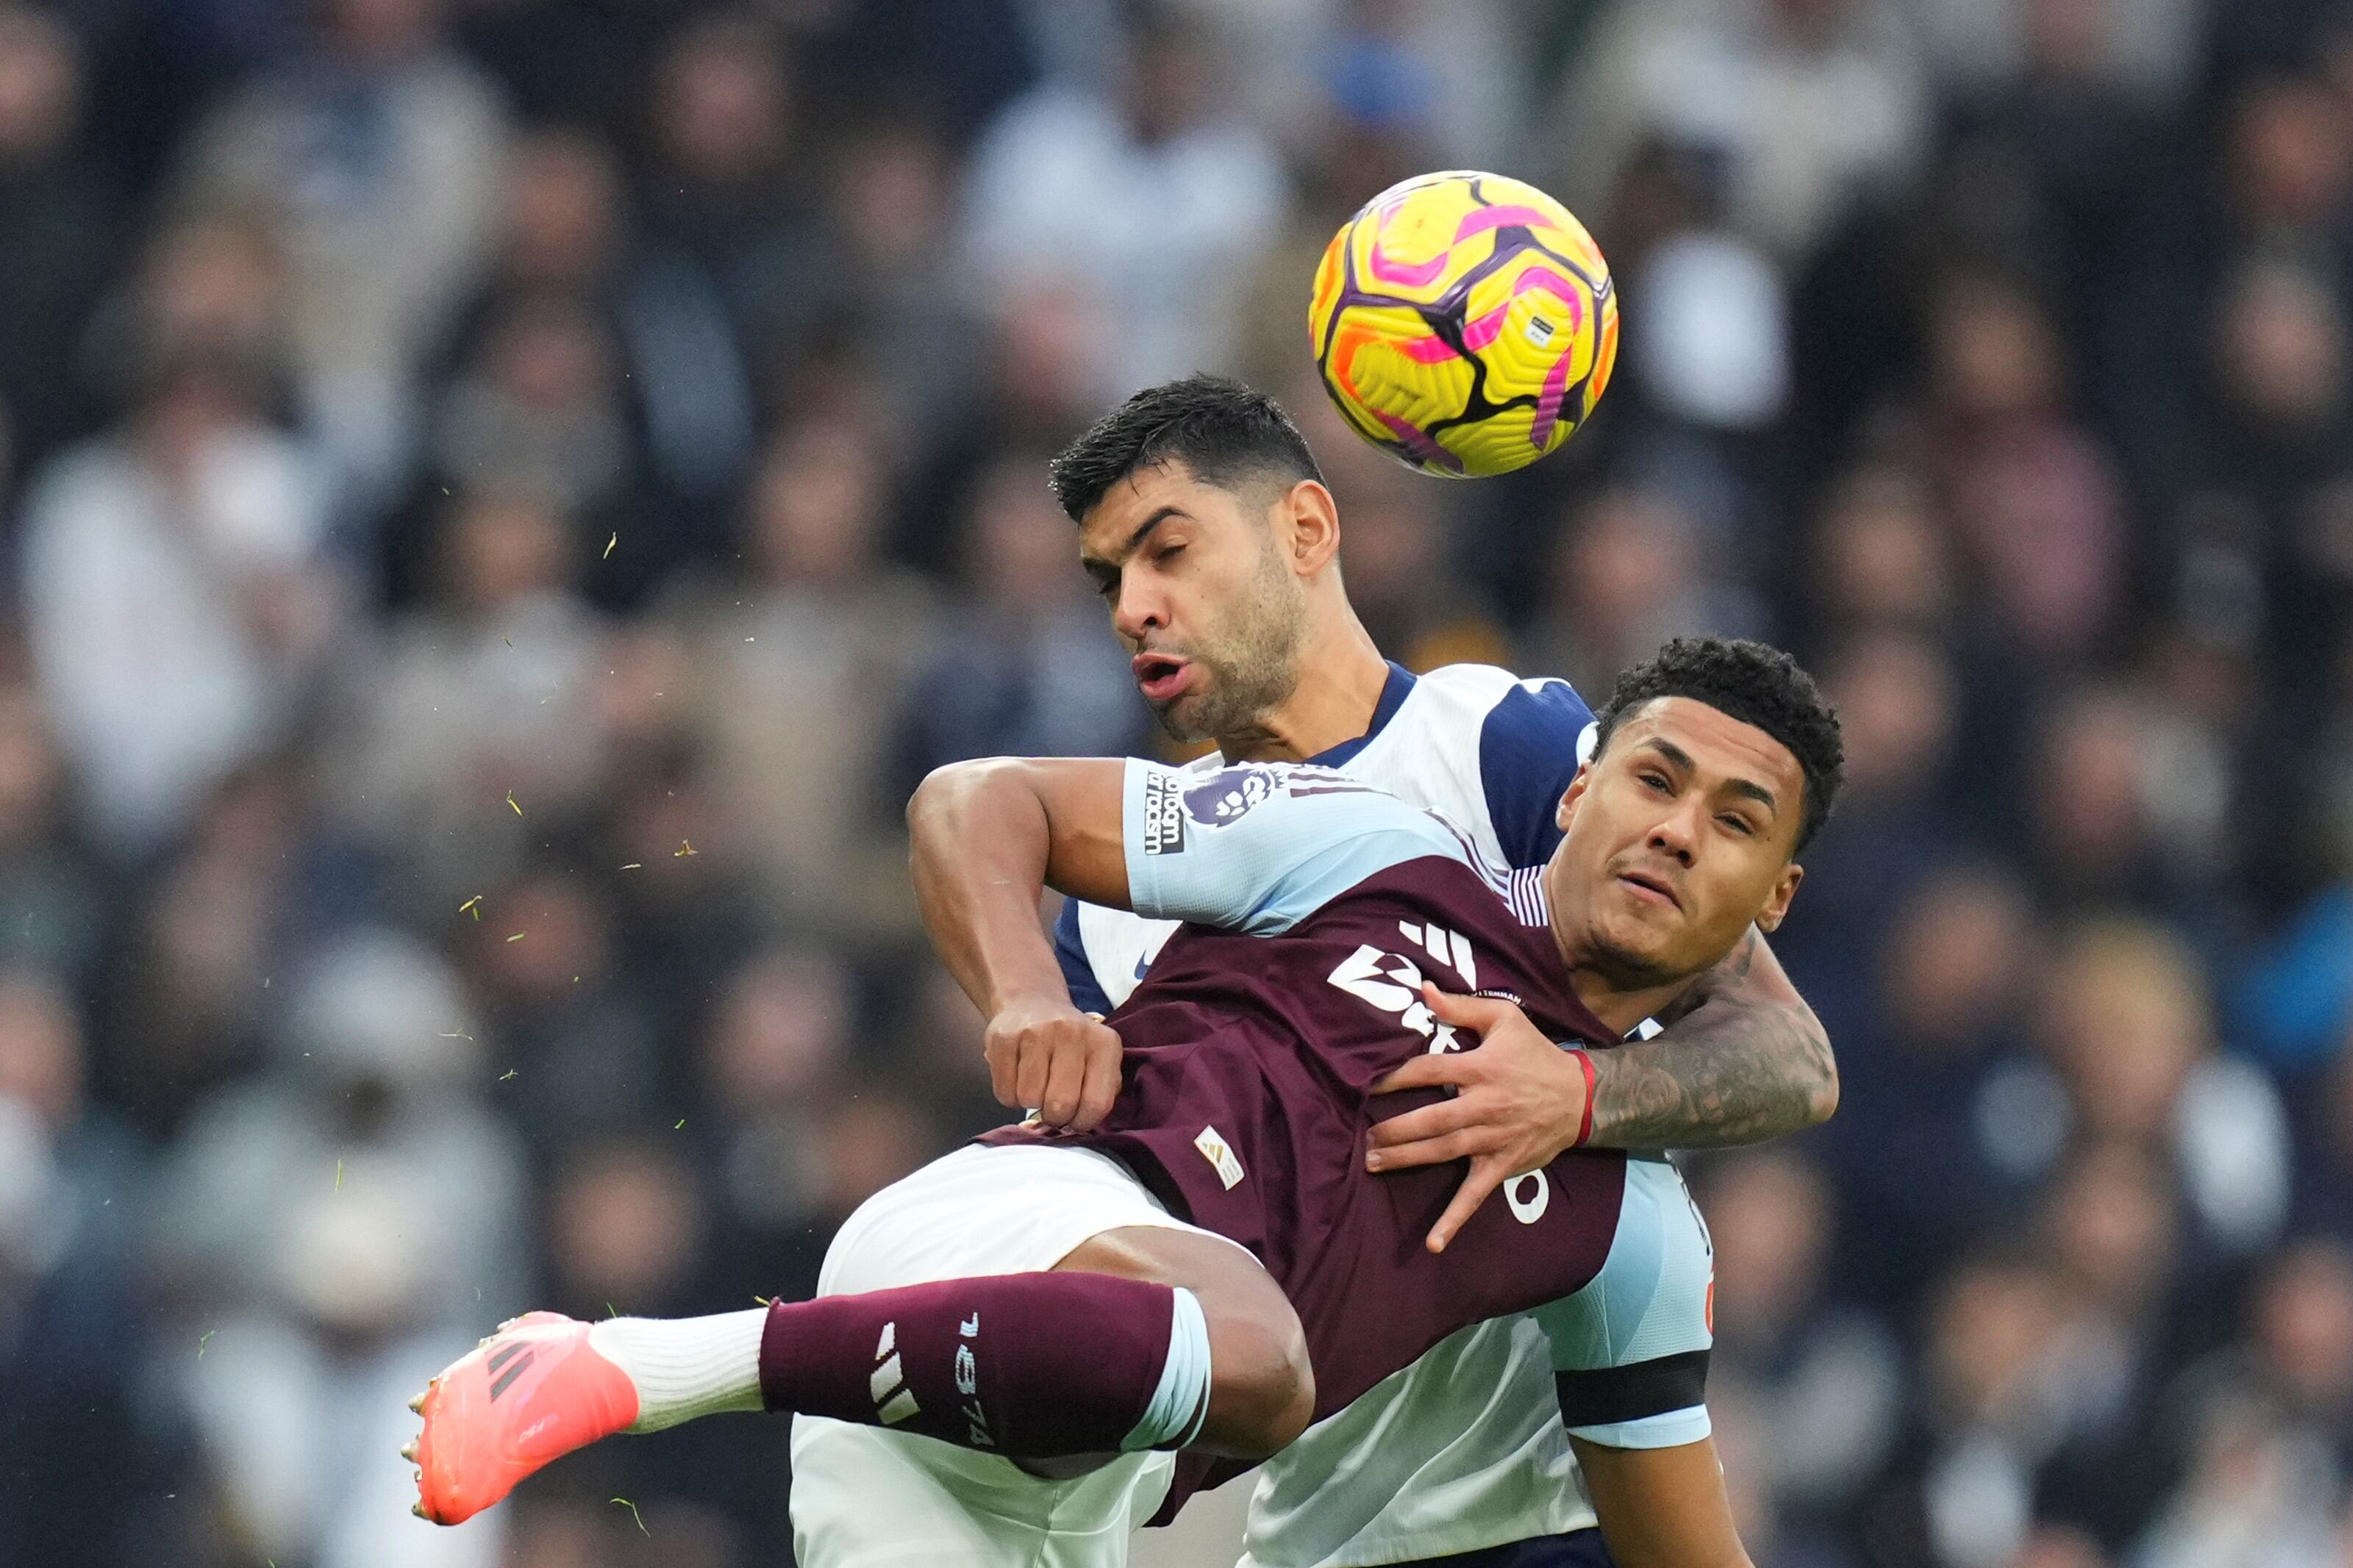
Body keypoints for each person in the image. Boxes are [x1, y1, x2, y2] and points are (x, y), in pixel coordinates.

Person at [403, 634, 1844, 1568]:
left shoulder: (1635, 1239)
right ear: (1579, 782)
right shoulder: (1366, 847)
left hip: (1053, 1490)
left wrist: (1585, 1094)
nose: (1674, 827)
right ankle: (628, 1364)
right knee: (1261, 1361)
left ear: (1772, 895)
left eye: (1733, 821)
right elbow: (982, 801)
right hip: (1014, 1234)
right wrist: (1027, 991)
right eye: (1655, 776)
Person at [1041, 374, 1837, 1564]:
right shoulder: (1111, 917)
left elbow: (1790, 1056)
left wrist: (1573, 1098)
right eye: (1111, 581)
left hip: (1558, 1508)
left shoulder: (1500, 743)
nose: (1135, 608)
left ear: (1307, 530)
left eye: (1169, 553)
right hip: (1312, 1529)